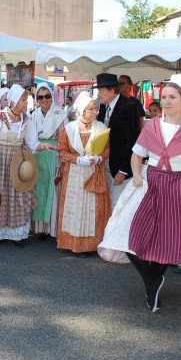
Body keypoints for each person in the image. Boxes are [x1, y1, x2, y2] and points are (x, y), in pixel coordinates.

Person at [98, 74, 181, 313]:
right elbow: (136, 153)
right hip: (150, 183)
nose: (167, 102)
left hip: (177, 186)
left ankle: (152, 284)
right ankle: (152, 279)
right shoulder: (153, 125)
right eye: (164, 97)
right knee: (130, 235)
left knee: (169, 241)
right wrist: (137, 174)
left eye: (172, 97)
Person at [0, 84, 56, 246]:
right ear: (13, 102)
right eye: (23, 101)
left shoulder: (26, 120)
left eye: (26, 101)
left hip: (18, 162)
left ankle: (17, 234)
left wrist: (43, 146)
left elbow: (33, 143)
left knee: (18, 195)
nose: (26, 104)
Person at [57, 92, 110, 253]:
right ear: (82, 111)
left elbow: (107, 150)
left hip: (94, 172)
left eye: (96, 109)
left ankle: (91, 245)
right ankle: (72, 243)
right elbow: (62, 151)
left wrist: (99, 159)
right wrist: (78, 159)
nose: (95, 112)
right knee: (74, 206)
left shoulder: (101, 128)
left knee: (92, 208)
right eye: (92, 109)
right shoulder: (69, 129)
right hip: (74, 173)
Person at [96, 73, 141, 208]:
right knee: (108, 202)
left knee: (118, 204)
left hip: (120, 167)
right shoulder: (104, 107)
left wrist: (123, 170)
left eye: (100, 91)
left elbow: (133, 140)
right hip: (105, 164)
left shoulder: (129, 106)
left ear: (111, 90)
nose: (98, 95)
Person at [31, 83, 67, 238]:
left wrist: (63, 158)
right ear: (36, 99)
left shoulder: (61, 114)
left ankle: (51, 227)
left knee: (53, 190)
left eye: (47, 96)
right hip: (38, 153)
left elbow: (65, 139)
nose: (44, 100)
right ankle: (39, 228)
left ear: (52, 96)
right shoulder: (33, 115)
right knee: (37, 189)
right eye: (40, 97)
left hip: (55, 154)